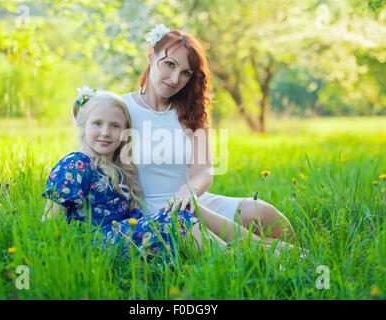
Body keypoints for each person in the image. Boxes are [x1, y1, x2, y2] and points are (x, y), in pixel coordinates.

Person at [40, 88, 282, 258]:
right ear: (84, 127)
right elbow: (50, 222)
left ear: (125, 132)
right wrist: (60, 255)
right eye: (97, 124)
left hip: (123, 236)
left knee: (179, 216)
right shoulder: (76, 163)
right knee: (175, 220)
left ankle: (259, 251)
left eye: (115, 126)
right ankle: (244, 257)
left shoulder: (119, 169)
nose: (106, 132)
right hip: (94, 244)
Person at [121, 24, 296, 243]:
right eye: (169, 65)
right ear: (150, 57)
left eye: (185, 73)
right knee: (233, 245)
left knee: (263, 214)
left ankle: (282, 253)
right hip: (155, 212)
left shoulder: (190, 111)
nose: (175, 79)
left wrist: (189, 191)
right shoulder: (120, 108)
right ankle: (276, 254)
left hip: (193, 201)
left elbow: (204, 169)